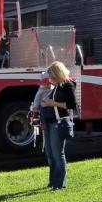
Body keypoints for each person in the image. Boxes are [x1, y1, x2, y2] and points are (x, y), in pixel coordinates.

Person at [39, 61, 77, 190]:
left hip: (58, 122)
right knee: (50, 154)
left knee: (57, 154)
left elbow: (72, 105)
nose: (50, 79)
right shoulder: (56, 86)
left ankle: (60, 184)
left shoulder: (68, 85)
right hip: (49, 122)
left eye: (51, 76)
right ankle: (53, 181)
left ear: (57, 74)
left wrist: (52, 103)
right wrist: (45, 103)